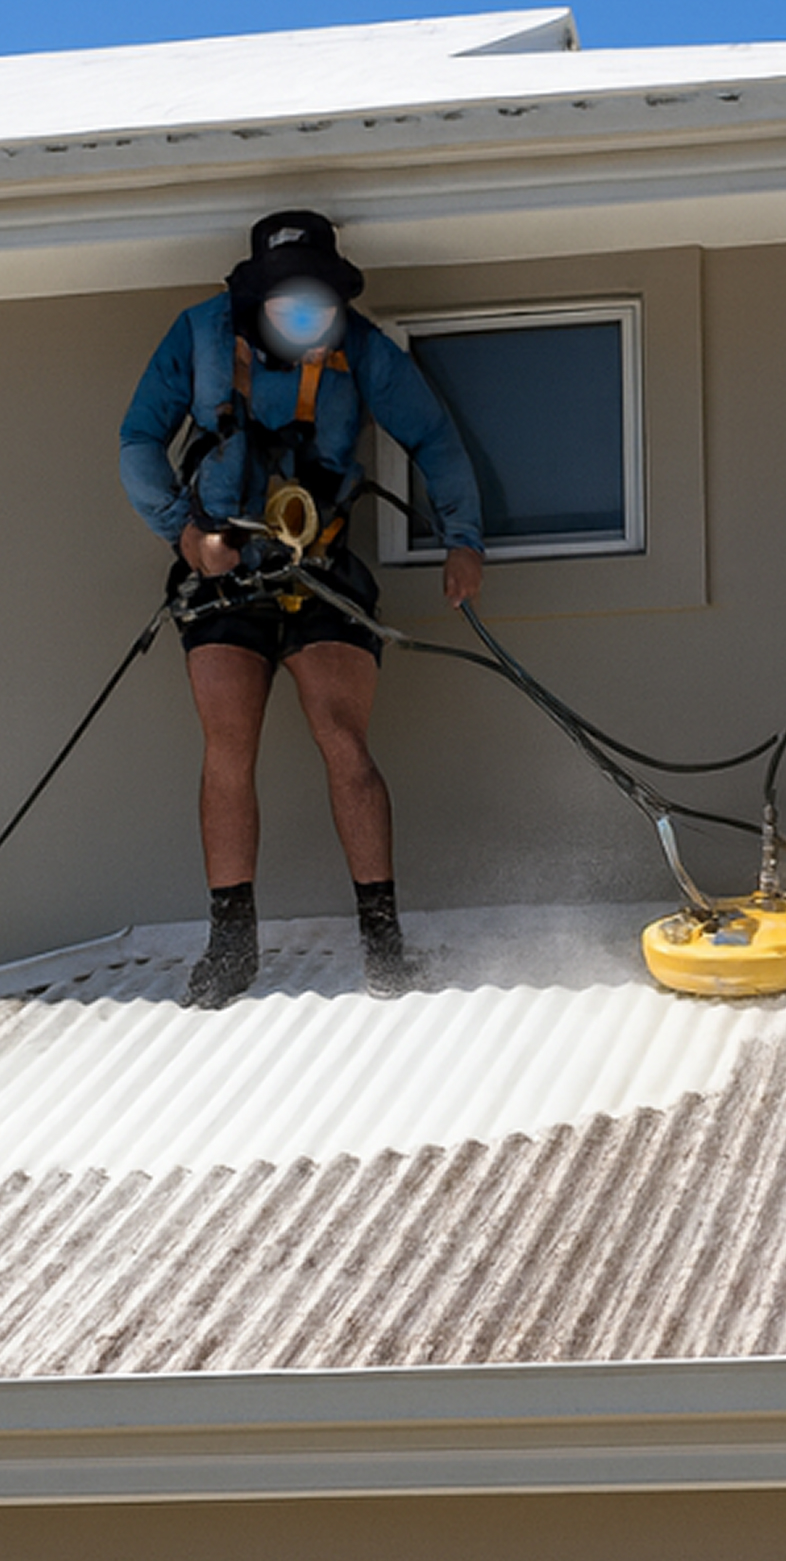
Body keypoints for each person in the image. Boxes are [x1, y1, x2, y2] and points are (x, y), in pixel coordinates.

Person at [117, 210, 486, 1005]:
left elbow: (433, 438)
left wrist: (464, 540)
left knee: (343, 736)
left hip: (323, 565)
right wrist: (185, 538)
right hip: (222, 570)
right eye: (289, 303)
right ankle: (230, 946)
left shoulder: (361, 348)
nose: (307, 318)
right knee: (228, 740)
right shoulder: (200, 336)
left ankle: (384, 947)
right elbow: (138, 440)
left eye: (317, 302)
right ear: (255, 299)